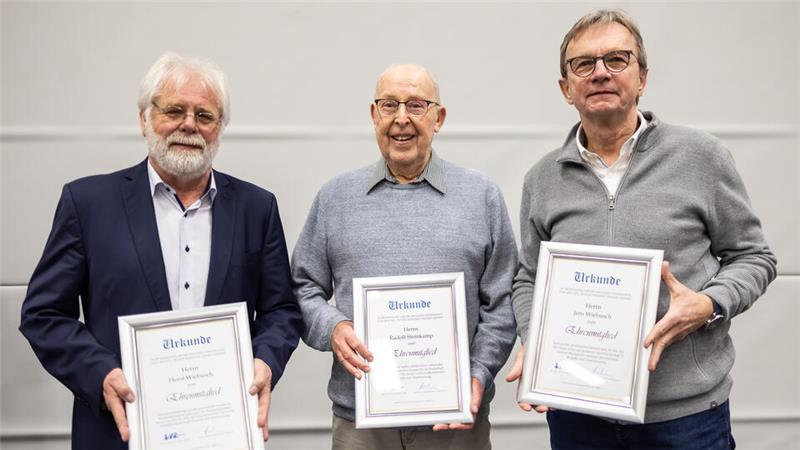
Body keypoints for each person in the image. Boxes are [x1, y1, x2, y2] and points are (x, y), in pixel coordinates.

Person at [505, 9, 777, 449]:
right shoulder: (542, 179)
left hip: (686, 418)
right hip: (578, 414)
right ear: (566, 88)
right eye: (583, 64)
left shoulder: (701, 157)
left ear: (642, 76)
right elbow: (528, 276)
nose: (600, 74)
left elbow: (754, 257)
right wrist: (536, 338)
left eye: (616, 59)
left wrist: (708, 303)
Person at [19, 52, 303, 449]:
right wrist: (100, 373)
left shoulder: (257, 208)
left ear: (220, 129)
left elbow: (281, 311)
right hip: (118, 432)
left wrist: (265, 361)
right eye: (174, 110)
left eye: (205, 115)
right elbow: (43, 313)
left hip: (221, 432)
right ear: (144, 119)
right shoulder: (87, 204)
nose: (189, 124)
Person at [292, 63, 517, 449]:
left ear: (438, 117)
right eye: (388, 105)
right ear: (372, 114)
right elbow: (302, 287)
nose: (401, 120)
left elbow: (504, 301)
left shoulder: (482, 196)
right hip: (360, 425)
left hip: (455, 422)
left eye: (416, 105)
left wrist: (478, 373)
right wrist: (333, 327)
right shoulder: (335, 198)